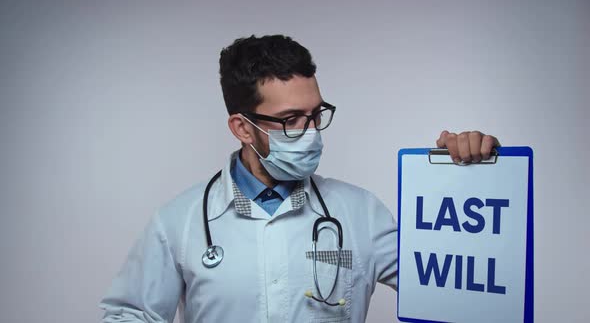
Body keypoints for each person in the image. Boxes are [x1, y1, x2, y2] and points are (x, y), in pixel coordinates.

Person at [99, 35, 499, 322]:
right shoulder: (178, 224)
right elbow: (129, 316)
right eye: (291, 120)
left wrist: (467, 178)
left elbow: (458, 288)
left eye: (316, 115)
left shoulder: (362, 213)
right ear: (241, 128)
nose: (311, 133)